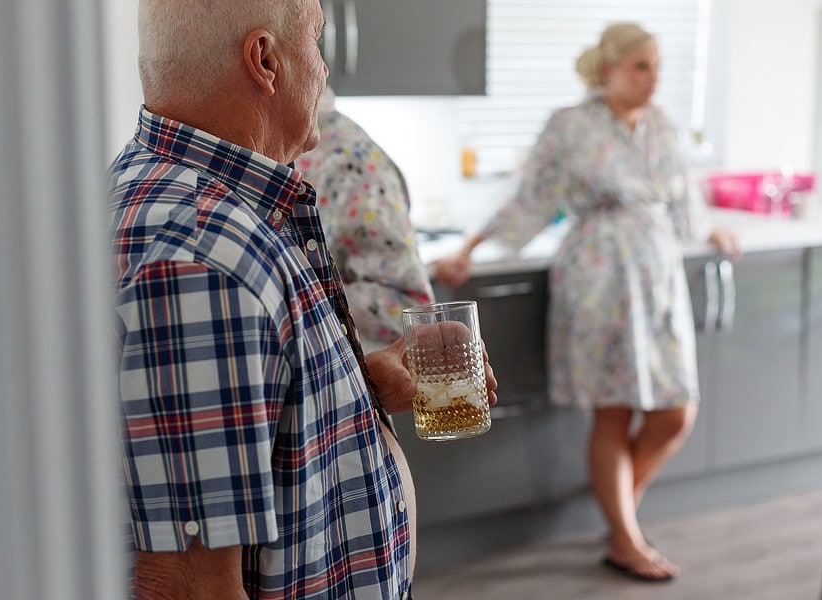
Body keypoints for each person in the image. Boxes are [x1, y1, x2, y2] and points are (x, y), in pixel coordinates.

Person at [108, 1, 497, 598]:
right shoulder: (201, 259)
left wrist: (363, 384)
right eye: (315, 44)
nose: (321, 68)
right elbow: (187, 584)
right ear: (265, 60)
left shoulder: (214, 209)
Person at [435, 23, 739, 582]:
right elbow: (529, 200)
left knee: (676, 411)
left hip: (658, 280)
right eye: (641, 66)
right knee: (615, 410)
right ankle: (624, 537)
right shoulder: (569, 126)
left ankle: (619, 511)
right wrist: (470, 248)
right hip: (599, 279)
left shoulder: (663, 127)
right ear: (608, 70)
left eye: (657, 66)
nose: (654, 78)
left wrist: (714, 230)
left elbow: (687, 208)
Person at [297, 87, 434, 353]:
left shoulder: (349, 162)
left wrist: (293, 296)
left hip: (373, 372)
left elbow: (408, 311)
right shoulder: (289, 150)